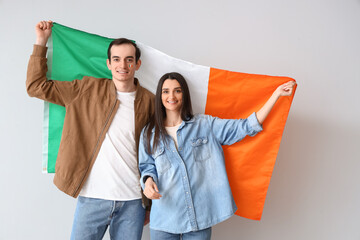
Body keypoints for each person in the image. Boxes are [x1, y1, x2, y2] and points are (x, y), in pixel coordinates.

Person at [26, 20, 154, 240]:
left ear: (137, 64)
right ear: (108, 63)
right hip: (92, 197)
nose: (122, 65)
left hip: (133, 202)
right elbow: (36, 86)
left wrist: (148, 203)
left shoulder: (150, 101)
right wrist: (41, 42)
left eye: (128, 59)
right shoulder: (86, 89)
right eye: (116, 59)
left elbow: (154, 153)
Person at [138, 72, 296, 239]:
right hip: (164, 219)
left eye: (177, 90)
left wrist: (276, 95)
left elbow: (245, 126)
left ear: (184, 94)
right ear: (159, 96)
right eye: (165, 91)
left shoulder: (205, 124)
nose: (171, 96)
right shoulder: (149, 133)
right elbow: (146, 167)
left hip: (200, 219)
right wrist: (148, 182)